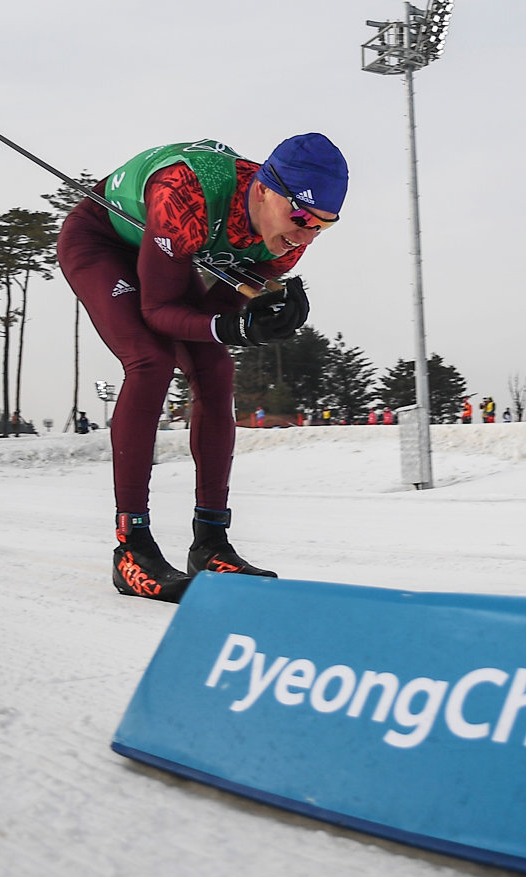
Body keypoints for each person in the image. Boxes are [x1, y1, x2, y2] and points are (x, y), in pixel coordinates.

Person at [57, 133, 348, 602]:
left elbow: (221, 316)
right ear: (262, 188)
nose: (305, 236)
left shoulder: (289, 237)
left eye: (322, 226)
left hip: (176, 251)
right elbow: (159, 311)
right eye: (299, 218)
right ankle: (131, 549)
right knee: (150, 361)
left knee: (215, 370)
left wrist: (260, 314)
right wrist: (234, 327)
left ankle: (211, 543)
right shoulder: (186, 192)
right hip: (104, 243)